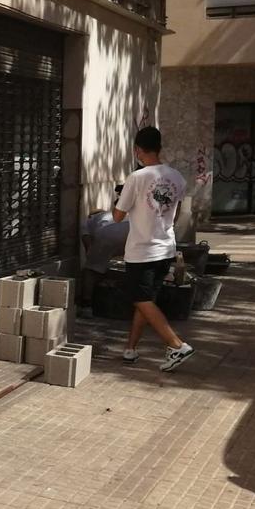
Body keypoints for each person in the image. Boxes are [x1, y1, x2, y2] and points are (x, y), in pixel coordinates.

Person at [113, 127, 196, 372]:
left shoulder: (137, 178)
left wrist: (117, 200)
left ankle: (176, 345)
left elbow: (117, 216)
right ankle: (131, 348)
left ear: (137, 150)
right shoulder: (176, 177)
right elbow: (177, 213)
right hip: (165, 248)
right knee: (146, 300)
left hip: (142, 251)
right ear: (159, 148)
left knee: (141, 298)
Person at [79, 185, 131, 316]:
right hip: (129, 229)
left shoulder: (89, 220)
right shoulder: (107, 215)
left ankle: (86, 306)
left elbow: (87, 242)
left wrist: (92, 259)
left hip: (107, 233)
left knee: (90, 270)